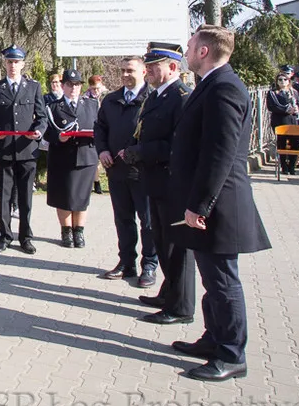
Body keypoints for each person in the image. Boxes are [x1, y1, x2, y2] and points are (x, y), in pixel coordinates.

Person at [170, 25, 271, 382]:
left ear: (203, 51)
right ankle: (213, 339)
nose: (185, 48)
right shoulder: (211, 84)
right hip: (207, 203)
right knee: (213, 279)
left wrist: (200, 205)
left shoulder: (225, 87)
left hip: (218, 205)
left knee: (224, 282)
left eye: (190, 44)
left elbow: (221, 154)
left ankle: (232, 355)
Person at [120, 42, 195, 326]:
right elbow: (143, 131)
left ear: (173, 67)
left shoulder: (181, 97)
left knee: (178, 247)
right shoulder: (156, 96)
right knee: (162, 241)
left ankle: (182, 306)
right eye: (148, 66)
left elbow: (179, 145)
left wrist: (141, 152)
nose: (148, 70)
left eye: (154, 66)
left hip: (173, 182)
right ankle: (169, 293)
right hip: (154, 180)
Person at [94, 56, 156, 287]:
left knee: (148, 222)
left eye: (130, 70)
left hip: (143, 172)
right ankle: (127, 262)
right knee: (123, 219)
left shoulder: (152, 99)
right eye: (122, 70)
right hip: (117, 171)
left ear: (143, 72)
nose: (125, 75)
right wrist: (102, 151)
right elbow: (100, 128)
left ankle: (149, 264)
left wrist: (137, 151)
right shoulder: (111, 100)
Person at [0, 45, 48, 253]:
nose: (13, 66)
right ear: (5, 63)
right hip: (5, 149)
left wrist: (39, 131)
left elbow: (42, 117)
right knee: (4, 195)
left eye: (16, 62)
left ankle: (26, 237)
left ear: (22, 64)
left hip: (27, 149)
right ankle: (5, 236)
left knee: (25, 197)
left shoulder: (33, 87)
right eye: (10, 62)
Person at [46, 69, 99, 248]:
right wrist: (57, 137)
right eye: (69, 84)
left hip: (86, 156)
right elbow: (45, 132)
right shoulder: (53, 107)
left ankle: (79, 231)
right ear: (62, 85)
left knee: (81, 197)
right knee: (64, 196)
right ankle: (66, 231)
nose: (74, 88)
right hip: (62, 157)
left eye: (77, 84)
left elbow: (101, 127)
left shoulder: (92, 105)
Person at [266, 72, 299, 175]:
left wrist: (297, 110)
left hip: (293, 121)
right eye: (280, 80)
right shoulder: (273, 93)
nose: (283, 82)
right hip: (279, 121)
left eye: (285, 79)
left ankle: (292, 166)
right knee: (281, 144)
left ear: (289, 81)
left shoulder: (293, 92)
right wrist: (286, 110)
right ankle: (284, 166)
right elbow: (271, 106)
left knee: (295, 143)